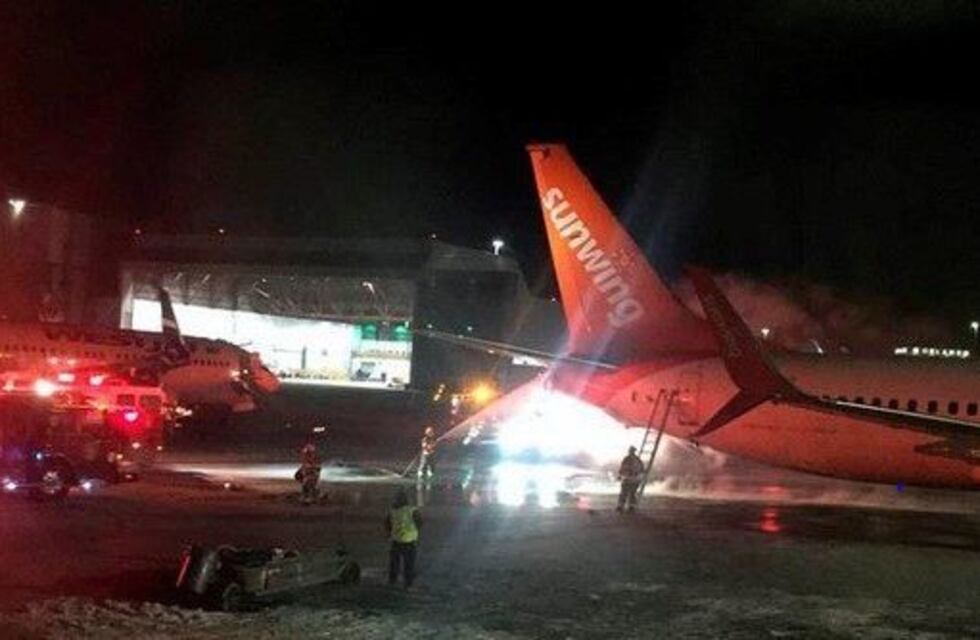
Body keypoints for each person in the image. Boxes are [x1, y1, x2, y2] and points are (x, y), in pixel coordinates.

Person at [385, 488, 421, 587]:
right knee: (409, 564)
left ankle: (392, 580)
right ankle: (408, 582)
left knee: (394, 563)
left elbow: (387, 524)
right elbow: (419, 523)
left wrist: (389, 534)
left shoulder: (392, 511)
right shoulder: (412, 510)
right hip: (409, 541)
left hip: (396, 540)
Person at [617, 445, 645, 513]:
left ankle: (621, 507)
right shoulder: (638, 459)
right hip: (635, 479)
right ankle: (631, 507)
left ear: (630, 451)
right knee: (632, 493)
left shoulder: (627, 459)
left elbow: (623, 468)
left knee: (624, 493)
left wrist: (620, 475)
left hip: (628, 478)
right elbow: (642, 469)